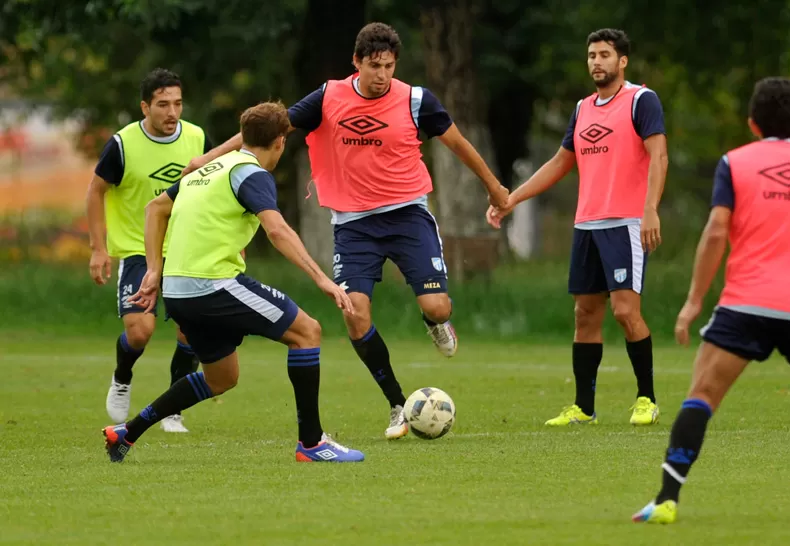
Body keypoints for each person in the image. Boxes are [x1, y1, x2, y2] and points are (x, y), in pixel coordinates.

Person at [184, 22, 509, 440]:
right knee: (355, 315)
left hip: (407, 214)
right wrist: (207, 159)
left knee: (437, 306)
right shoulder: (329, 96)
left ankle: (436, 323)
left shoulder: (416, 100)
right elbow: (264, 131)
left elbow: (459, 143)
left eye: (389, 66)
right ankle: (397, 404)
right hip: (354, 224)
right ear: (355, 62)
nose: (382, 75)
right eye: (374, 66)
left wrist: (495, 187)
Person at [631, 77, 790, 525]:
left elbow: (717, 231)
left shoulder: (735, 162)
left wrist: (692, 302)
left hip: (746, 306)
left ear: (752, 124)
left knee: (701, 396)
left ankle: (665, 500)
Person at [102, 101, 364, 463]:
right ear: (280, 142)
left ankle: (125, 433)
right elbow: (277, 229)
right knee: (307, 332)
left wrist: (153, 270)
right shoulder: (251, 173)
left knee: (220, 378)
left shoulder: (208, 170)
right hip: (211, 285)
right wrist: (323, 279)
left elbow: (154, 209)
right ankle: (312, 443)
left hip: (178, 291)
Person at [487, 29, 668, 427]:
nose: (596, 62)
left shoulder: (641, 100)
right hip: (586, 225)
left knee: (624, 312)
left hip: (625, 224)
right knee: (585, 313)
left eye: (605, 54)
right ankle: (583, 408)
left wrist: (650, 209)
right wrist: (512, 199)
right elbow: (559, 162)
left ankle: (646, 399)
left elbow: (659, 156)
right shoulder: (583, 108)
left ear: (622, 61)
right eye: (591, 55)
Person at [87, 68, 213, 433]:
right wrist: (98, 248)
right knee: (140, 331)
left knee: (192, 331)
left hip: (185, 249)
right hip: (137, 249)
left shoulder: (197, 137)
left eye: (177, 103)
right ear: (145, 106)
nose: (172, 112)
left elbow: (212, 188)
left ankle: (173, 408)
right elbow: (95, 191)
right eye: (162, 104)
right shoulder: (123, 144)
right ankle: (122, 377)